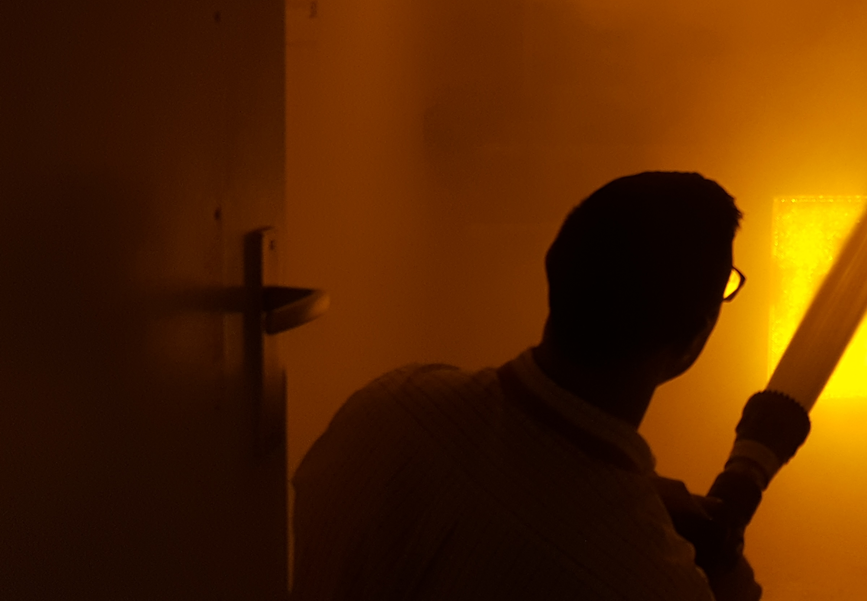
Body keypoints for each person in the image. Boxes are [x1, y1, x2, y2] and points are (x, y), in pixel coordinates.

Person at [291, 171, 762, 601]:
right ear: (692, 340)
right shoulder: (650, 580)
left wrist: (632, 497)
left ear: (555, 266)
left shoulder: (390, 408)